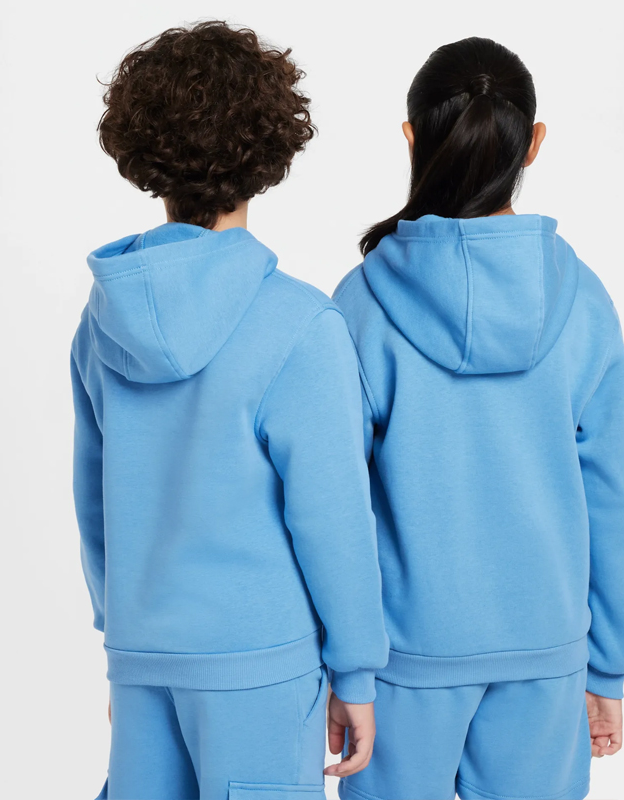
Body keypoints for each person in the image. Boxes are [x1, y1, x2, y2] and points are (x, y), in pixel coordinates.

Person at [71, 22, 387, 800]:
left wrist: (131, 647)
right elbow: (333, 518)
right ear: (269, 150)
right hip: (260, 667)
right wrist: (356, 672)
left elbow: (95, 498)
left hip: (144, 653)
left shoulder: (102, 320)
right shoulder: (301, 326)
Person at [331, 37, 624, 800]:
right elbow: (612, 497)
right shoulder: (584, 301)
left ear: (411, 138)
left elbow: (334, 503)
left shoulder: (361, 304)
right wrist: (607, 665)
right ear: (534, 144)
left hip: (402, 660)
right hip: (547, 653)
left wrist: (344, 668)